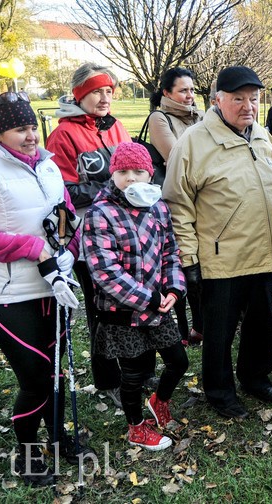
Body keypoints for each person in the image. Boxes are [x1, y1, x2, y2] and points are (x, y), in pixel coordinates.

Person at [0, 92, 85, 486]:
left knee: (54, 373)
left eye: (32, 127)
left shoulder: (46, 164)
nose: (30, 136)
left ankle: (57, 438)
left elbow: (65, 216)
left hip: (51, 284)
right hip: (9, 293)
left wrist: (68, 250)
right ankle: (25, 455)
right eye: (19, 129)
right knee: (36, 378)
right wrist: (32, 248)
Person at [163, 66, 272, 420]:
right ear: (217, 100)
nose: (247, 106)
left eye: (253, 98)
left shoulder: (262, 134)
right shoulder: (193, 142)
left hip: (264, 251)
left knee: (262, 324)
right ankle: (219, 390)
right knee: (219, 331)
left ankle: (255, 377)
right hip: (220, 256)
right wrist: (188, 258)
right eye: (238, 98)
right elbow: (177, 202)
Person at [83, 143, 188, 451]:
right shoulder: (99, 213)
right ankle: (136, 427)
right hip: (123, 314)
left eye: (138, 171)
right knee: (134, 373)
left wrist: (173, 289)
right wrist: (150, 298)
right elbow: (105, 272)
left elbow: (170, 251)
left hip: (160, 306)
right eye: (122, 172)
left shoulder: (158, 207)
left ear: (150, 173)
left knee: (178, 362)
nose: (130, 178)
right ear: (112, 174)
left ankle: (160, 401)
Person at [45, 63, 132, 408]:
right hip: (86, 237)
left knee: (127, 301)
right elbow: (65, 192)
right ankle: (107, 378)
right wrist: (112, 187)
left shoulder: (116, 127)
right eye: (96, 91)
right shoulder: (63, 134)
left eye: (109, 91)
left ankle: (132, 366)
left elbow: (134, 170)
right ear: (80, 94)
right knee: (102, 309)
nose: (104, 97)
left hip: (124, 230)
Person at [148, 67, 205, 345]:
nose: (189, 96)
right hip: (174, 203)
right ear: (167, 93)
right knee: (179, 266)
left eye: (192, 90)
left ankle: (201, 324)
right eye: (183, 90)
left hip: (203, 201)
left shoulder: (202, 116)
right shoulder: (159, 118)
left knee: (201, 266)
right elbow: (177, 159)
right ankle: (181, 329)